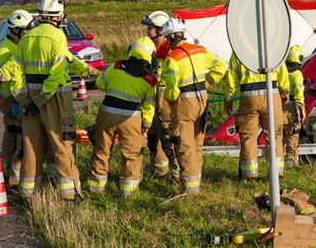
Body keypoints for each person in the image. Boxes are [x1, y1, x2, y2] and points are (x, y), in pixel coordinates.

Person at [10, 0, 80, 201]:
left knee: (31, 146)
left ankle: (27, 193)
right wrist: (40, 100)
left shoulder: (27, 37)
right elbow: (57, 74)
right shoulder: (58, 36)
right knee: (61, 144)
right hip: (52, 100)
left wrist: (25, 100)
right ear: (58, 16)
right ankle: (68, 194)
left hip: (29, 102)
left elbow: (16, 73)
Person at [158, 17, 227, 194]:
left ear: (169, 38)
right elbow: (220, 66)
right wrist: (208, 84)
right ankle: (197, 181)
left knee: (184, 145)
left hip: (184, 103)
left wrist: (171, 100)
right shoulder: (200, 50)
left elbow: (172, 90)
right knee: (197, 143)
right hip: (203, 99)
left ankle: (190, 191)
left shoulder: (171, 60)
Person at [87, 37, 158, 197]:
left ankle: (96, 189)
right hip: (131, 118)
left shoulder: (116, 66)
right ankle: (128, 192)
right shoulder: (150, 80)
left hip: (107, 113)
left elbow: (101, 84)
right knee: (132, 154)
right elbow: (149, 106)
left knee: (102, 149)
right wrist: (146, 126)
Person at [225, 50, 289, 180]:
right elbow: (282, 71)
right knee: (274, 134)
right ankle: (276, 174)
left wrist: (228, 98)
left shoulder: (239, 49)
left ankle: (249, 175)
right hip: (272, 93)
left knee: (248, 136)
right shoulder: (272, 47)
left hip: (248, 96)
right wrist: (285, 91)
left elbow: (231, 76)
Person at [0, 9, 34, 188]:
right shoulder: (6, 49)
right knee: (16, 137)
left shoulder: (15, 44)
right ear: (16, 30)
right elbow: (12, 75)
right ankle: (13, 179)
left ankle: (7, 173)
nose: (28, 33)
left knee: (11, 136)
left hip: (14, 97)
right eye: (25, 30)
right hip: (12, 99)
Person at [140, 10, 174, 179]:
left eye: (150, 28)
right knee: (152, 139)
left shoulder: (169, 50)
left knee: (166, 140)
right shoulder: (151, 49)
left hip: (165, 103)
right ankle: (158, 169)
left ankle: (170, 174)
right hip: (151, 102)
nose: (147, 31)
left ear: (160, 30)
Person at [282, 46, 306, 167]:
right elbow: (298, 91)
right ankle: (291, 161)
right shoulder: (297, 74)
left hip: (282, 105)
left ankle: (280, 158)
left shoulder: (283, 72)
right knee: (293, 132)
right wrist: (301, 108)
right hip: (293, 106)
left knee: (282, 132)